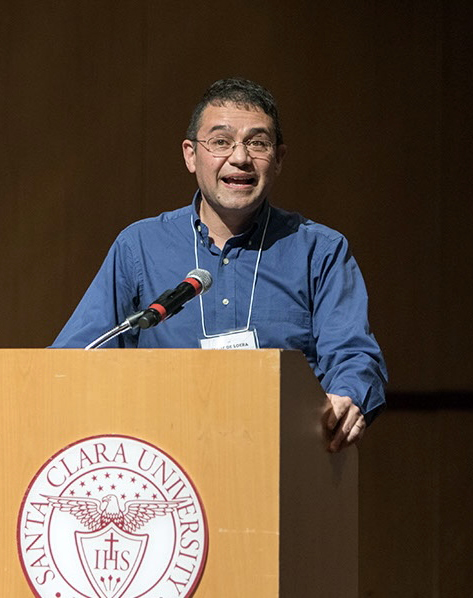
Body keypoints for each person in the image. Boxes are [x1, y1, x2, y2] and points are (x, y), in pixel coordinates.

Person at [52, 77, 387, 452]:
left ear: (278, 159)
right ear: (190, 155)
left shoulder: (319, 251)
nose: (240, 157)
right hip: (166, 462)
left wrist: (348, 396)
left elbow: (354, 356)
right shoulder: (140, 247)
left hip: (284, 459)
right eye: (221, 141)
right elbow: (76, 358)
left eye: (257, 143)